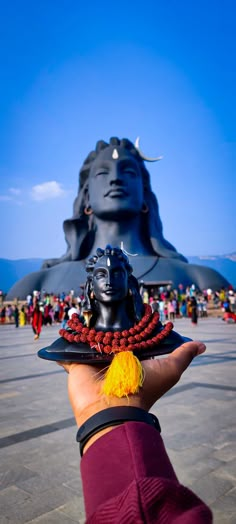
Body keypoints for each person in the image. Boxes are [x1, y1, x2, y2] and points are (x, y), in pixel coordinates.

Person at [39, 246, 212, 522]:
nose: (109, 280)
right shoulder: (71, 341)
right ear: (90, 288)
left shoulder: (159, 335)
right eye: (100, 274)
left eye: (117, 273)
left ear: (131, 283)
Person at [7, 138, 229, 300]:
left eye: (128, 173)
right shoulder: (34, 284)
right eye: (103, 173)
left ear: (144, 194)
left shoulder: (202, 278)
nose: (115, 179)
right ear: (86, 198)